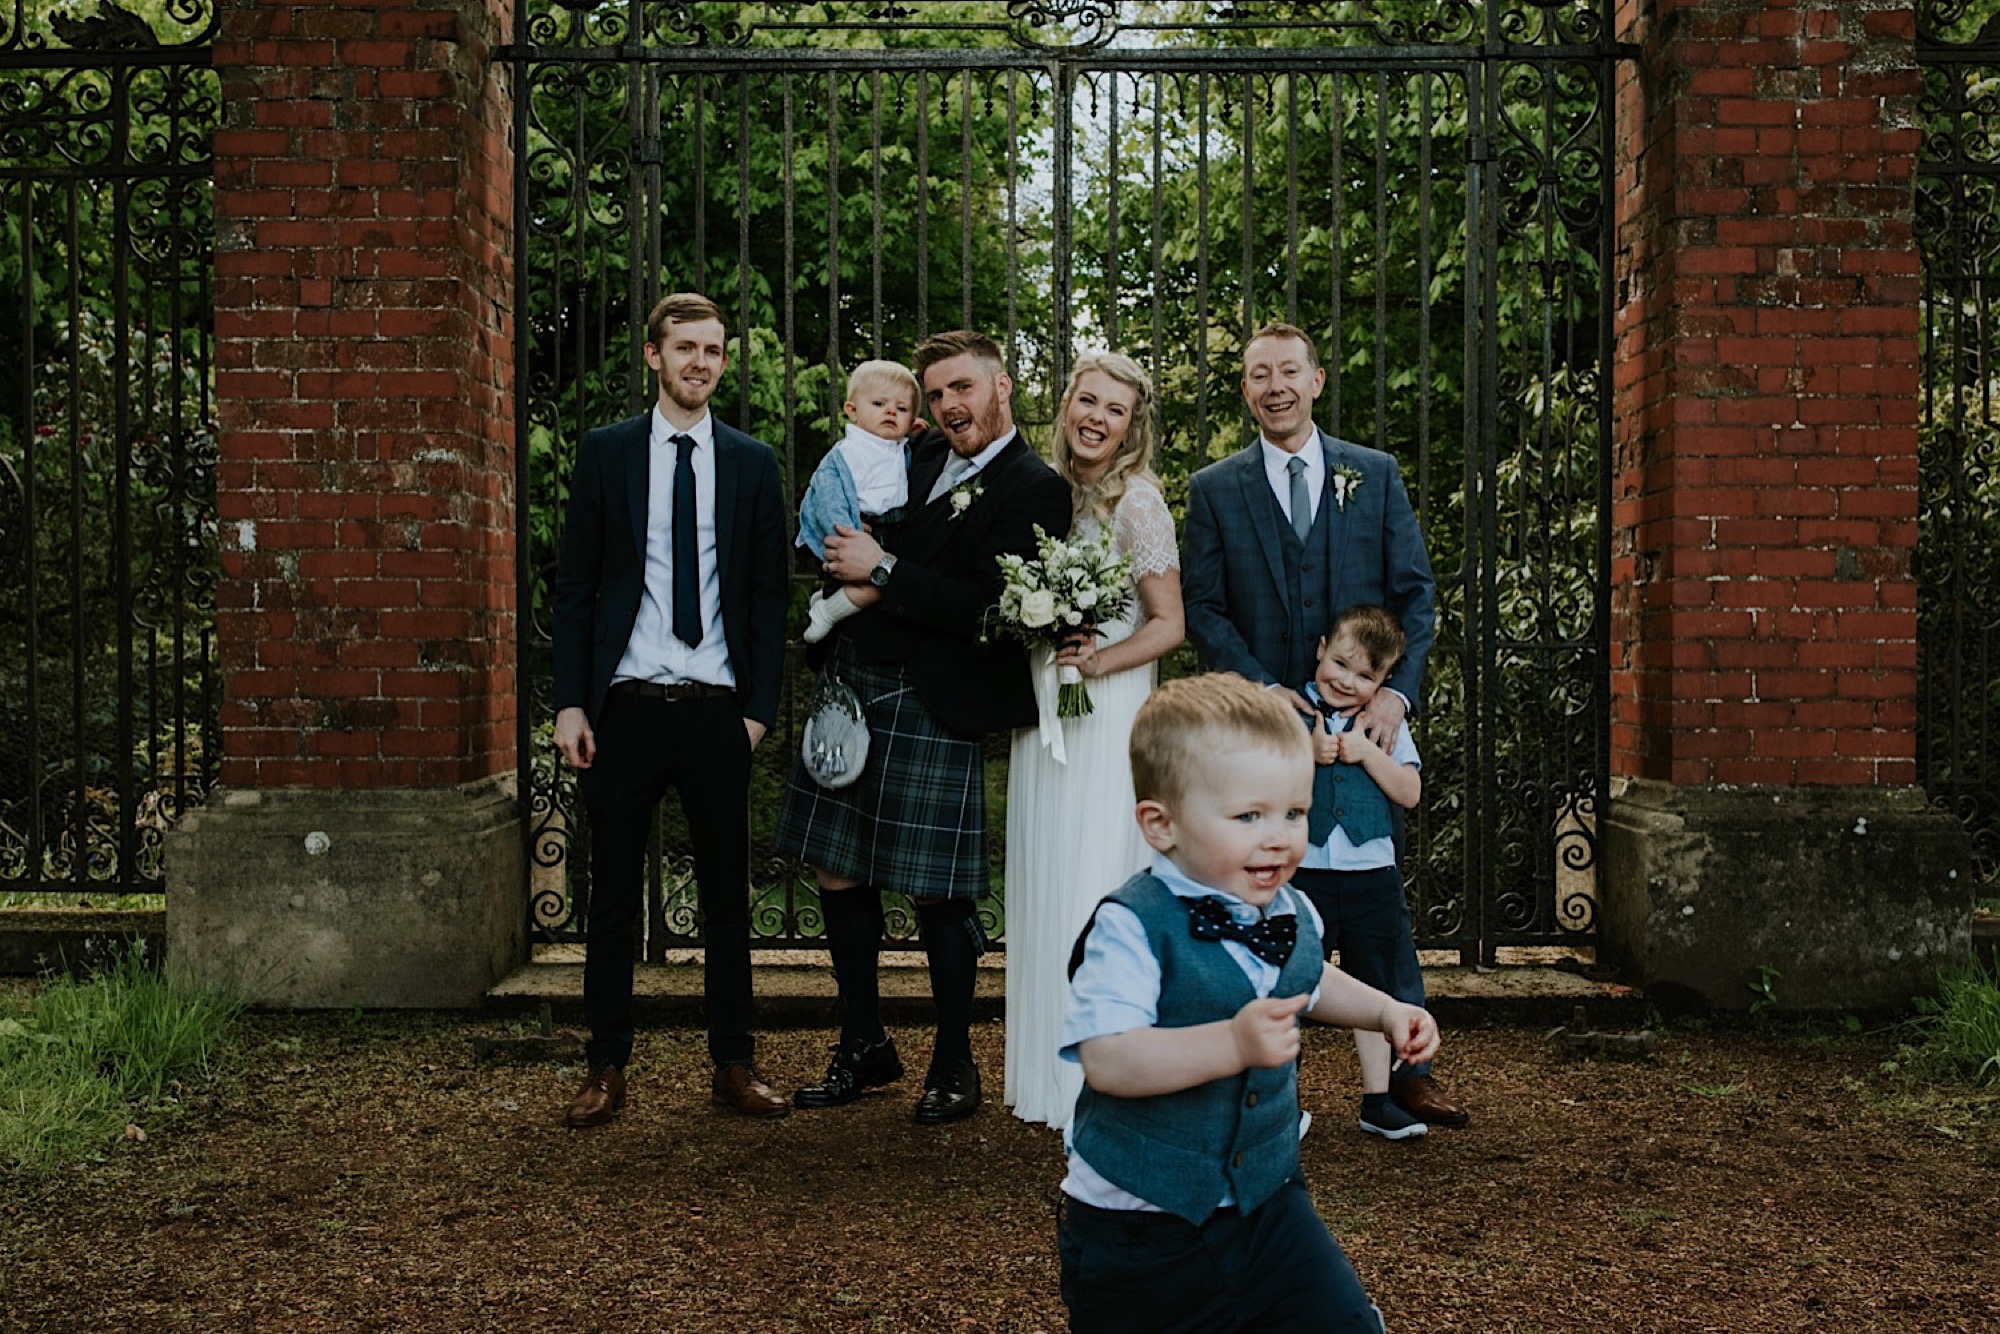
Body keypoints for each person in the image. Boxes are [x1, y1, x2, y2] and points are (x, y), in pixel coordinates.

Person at [1057, 673, 1438, 1333]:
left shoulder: (1289, 908)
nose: (1279, 837)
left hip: (1269, 1205)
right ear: (1161, 824)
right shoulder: (1130, 925)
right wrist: (1230, 1044)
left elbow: (1309, 979)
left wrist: (1384, 1012)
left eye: (1294, 813)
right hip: (1143, 1230)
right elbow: (1109, 1059)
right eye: (1248, 816)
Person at [775, 328, 1073, 1124]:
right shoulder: (909, 457)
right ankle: (865, 1042)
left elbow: (989, 606)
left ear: (1001, 386)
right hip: (853, 681)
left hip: (935, 699)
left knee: (939, 893)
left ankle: (953, 1057)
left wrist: (886, 570)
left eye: (961, 389)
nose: (947, 406)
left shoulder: (1033, 487)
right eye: (935, 394)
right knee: (837, 868)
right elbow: (849, 526)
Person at [1181, 319, 1464, 1129]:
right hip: (1269, 734)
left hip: (1366, 743)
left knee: (1379, 915)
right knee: (1266, 899)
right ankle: (1270, 1085)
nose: (1274, 385)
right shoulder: (1214, 488)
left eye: (1288, 371)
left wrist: (1394, 697)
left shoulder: (1372, 475)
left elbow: (1415, 593)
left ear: (1317, 379)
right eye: (1258, 374)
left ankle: (1407, 1075)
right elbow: (1203, 605)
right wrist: (1266, 688)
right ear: (1245, 390)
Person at [550, 291, 791, 1128]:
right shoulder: (606, 454)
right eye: (686, 348)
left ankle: (734, 1063)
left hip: (717, 711)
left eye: (714, 350)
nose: (701, 363)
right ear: (653, 356)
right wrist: (571, 703)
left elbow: (767, 598)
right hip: (625, 707)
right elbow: (575, 585)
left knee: (729, 899)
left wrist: (757, 712)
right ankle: (605, 1066)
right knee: (611, 898)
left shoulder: (754, 464)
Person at [1004, 351, 1184, 1130]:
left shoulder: (1137, 504)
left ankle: (1109, 1077)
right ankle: (1051, 1074)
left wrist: (1100, 658)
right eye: (1087, 400)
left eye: (1114, 409)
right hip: (1047, 713)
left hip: (1106, 714)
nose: (1096, 417)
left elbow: (1170, 623)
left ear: (1131, 426)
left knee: (1094, 880)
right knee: (1047, 875)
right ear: (1066, 403)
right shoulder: (1050, 495)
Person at [1292, 604, 1429, 1141]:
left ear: (1384, 681)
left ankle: (1377, 1100)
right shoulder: (1291, 714)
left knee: (1375, 986)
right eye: (1341, 664)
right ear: (1321, 648)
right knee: (1294, 981)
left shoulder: (1384, 728)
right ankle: (1281, 1103)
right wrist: (1307, 754)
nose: (1347, 682)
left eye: (1365, 675)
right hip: (1303, 874)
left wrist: (1365, 755)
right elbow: (1259, 782)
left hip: (1372, 875)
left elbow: (1410, 793)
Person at [796, 359, 922, 644]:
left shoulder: (897, 446)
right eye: (879, 404)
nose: (891, 411)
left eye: (901, 409)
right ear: (852, 410)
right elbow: (828, 497)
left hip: (894, 527)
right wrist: (847, 533)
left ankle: (829, 597)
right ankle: (827, 612)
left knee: (895, 582)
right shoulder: (850, 452)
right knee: (880, 586)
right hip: (859, 530)